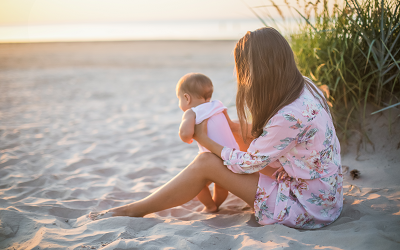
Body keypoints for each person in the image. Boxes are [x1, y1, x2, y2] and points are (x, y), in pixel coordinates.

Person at [89, 27, 343, 229]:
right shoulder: (303, 85)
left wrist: (206, 140)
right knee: (238, 134)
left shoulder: (289, 115)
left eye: (247, 69)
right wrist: (233, 127)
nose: (246, 77)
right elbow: (277, 136)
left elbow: (247, 164)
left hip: (308, 208)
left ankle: (135, 210)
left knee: (207, 163)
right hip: (323, 194)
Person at [175, 72, 239, 212]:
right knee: (221, 186)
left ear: (186, 98)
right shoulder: (218, 105)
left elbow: (185, 135)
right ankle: (216, 203)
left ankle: (210, 206)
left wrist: (187, 137)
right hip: (233, 155)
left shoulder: (191, 112)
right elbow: (230, 125)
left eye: (179, 99)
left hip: (213, 159)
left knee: (196, 184)